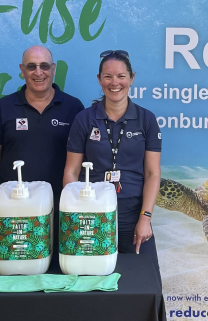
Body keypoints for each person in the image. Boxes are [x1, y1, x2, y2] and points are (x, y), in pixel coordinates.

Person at [0, 45, 84, 266]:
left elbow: (84, 160)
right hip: (14, 211)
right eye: (31, 66)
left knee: (62, 270)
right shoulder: (4, 107)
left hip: (63, 211)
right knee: (15, 272)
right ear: (22, 70)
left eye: (44, 66)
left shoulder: (73, 108)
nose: (38, 72)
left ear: (53, 69)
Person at [63, 50, 162, 275]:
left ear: (132, 78)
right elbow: (71, 171)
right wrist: (76, 214)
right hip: (91, 210)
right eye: (107, 76)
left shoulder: (146, 119)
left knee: (145, 279)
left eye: (121, 76)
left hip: (133, 212)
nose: (114, 82)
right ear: (99, 79)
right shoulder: (84, 119)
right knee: (90, 277)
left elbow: (153, 174)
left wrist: (145, 218)